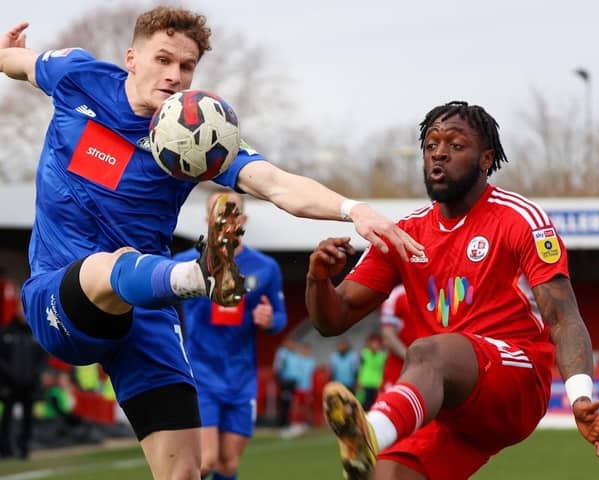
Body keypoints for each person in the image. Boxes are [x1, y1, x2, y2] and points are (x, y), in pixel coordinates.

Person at [0, 7, 422, 479]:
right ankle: (198, 275)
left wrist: (353, 209)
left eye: (186, 67)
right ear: (132, 58)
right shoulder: (79, 76)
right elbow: (23, 64)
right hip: (60, 295)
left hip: (149, 311)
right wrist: (6, 56)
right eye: (163, 60)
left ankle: (195, 276)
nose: (174, 76)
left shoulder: (198, 137)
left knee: (187, 472)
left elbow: (276, 183)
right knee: (108, 264)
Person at [305, 101, 599, 479]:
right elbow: (334, 317)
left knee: (429, 350)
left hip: (516, 380)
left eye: (455, 146)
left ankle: (371, 431)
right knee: (388, 474)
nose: (439, 154)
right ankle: (374, 444)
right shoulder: (403, 234)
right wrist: (318, 279)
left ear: (486, 159)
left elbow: (563, 315)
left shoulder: (521, 219)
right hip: (451, 405)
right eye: (430, 146)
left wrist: (580, 394)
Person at [175, 189, 288, 479]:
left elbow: (280, 317)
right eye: (219, 210)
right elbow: (155, 304)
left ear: (244, 218)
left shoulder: (265, 268)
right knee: (206, 461)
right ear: (207, 219)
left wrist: (268, 319)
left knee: (228, 464)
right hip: (201, 374)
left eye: (232, 210)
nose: (225, 217)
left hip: (241, 379)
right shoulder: (186, 264)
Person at [0, 298, 48, 459]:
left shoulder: (35, 333)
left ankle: (24, 449)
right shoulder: (6, 332)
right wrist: (7, 376)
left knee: (28, 419)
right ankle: (5, 450)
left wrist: (35, 376)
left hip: (30, 385)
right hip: (9, 384)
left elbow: (42, 359)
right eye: (20, 308)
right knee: (7, 418)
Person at [379, 285, 413, 391]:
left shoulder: (437, 292)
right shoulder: (397, 295)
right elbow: (388, 336)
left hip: (431, 373)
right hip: (398, 372)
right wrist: (412, 358)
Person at [273, 337, 299, 430]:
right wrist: (280, 381)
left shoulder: (293, 354)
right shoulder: (282, 353)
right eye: (290, 343)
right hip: (285, 382)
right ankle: (282, 422)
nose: (292, 346)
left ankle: (287, 421)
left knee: (289, 402)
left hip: (292, 382)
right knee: (285, 402)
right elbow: (278, 367)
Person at [356, 333, 386, 410]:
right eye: (373, 343)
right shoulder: (364, 354)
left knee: (375, 403)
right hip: (365, 383)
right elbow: (360, 368)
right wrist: (359, 381)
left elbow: (384, 370)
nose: (374, 346)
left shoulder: (382, 356)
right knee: (364, 403)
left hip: (377, 384)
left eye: (376, 344)